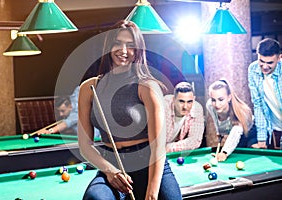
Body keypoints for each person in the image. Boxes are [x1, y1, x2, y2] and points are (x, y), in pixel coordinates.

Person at [78, 20, 182, 200]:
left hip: (149, 164)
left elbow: (158, 146)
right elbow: (85, 146)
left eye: (130, 46)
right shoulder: (89, 88)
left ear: (138, 51)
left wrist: (151, 194)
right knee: (96, 198)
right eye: (118, 43)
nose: (123, 50)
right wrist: (110, 172)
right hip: (113, 166)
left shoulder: (147, 87)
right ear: (109, 45)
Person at [206, 79, 258, 161]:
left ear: (229, 97)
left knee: (247, 158)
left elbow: (236, 132)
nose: (217, 104)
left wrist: (224, 153)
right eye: (213, 100)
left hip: (252, 133)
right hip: (236, 133)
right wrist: (219, 132)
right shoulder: (210, 105)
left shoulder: (241, 112)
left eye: (221, 99)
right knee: (235, 156)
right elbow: (216, 119)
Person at [248, 38, 282, 149]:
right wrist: (262, 139)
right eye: (261, 61)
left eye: (270, 62)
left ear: (279, 58)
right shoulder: (253, 70)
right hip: (274, 128)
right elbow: (258, 105)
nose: (265, 66)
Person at [164, 82, 205, 152]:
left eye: (189, 102)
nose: (185, 107)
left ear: (194, 99)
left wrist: (168, 148)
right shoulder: (164, 106)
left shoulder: (197, 109)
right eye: (181, 101)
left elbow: (195, 140)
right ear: (173, 99)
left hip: (169, 151)